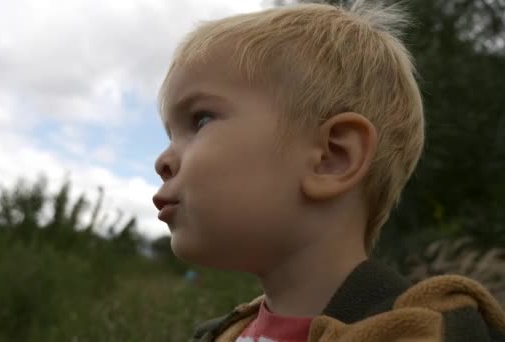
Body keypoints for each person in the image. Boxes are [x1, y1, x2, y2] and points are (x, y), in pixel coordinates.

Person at [151, 1, 505, 341]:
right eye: (170, 134)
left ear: (332, 157)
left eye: (201, 119)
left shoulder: (423, 332)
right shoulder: (224, 332)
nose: (162, 160)